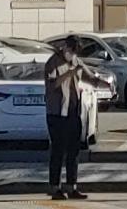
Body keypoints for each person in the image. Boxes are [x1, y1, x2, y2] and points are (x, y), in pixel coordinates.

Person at [42, 39, 88, 201]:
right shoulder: (53, 62)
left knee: (73, 151)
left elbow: (88, 76)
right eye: (71, 51)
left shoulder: (76, 61)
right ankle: (55, 188)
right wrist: (69, 73)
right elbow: (52, 84)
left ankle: (71, 187)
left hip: (73, 113)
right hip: (57, 114)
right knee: (58, 151)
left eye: (75, 52)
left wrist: (105, 84)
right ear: (65, 47)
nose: (72, 55)